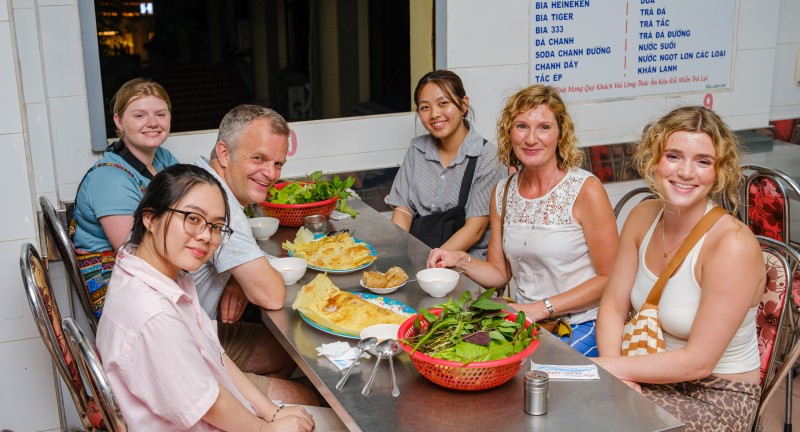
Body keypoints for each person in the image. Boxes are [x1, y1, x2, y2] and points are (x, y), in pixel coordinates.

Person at [96, 164, 315, 431]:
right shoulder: (153, 313)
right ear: (150, 218)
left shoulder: (155, 271)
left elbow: (215, 353)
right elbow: (208, 403)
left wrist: (271, 412)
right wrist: (267, 429)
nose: (205, 236)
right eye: (192, 218)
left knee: (304, 406)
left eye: (216, 226)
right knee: (318, 409)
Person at [594, 106, 764, 431]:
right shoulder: (642, 216)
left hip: (716, 394)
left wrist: (613, 370)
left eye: (703, 161)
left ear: (719, 172)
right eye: (673, 156)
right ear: (654, 160)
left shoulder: (732, 246)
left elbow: (697, 362)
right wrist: (618, 376)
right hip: (647, 372)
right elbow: (613, 306)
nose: (686, 172)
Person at [428, 85, 618, 356]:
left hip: (582, 324)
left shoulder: (585, 189)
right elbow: (499, 273)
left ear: (560, 133)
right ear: (509, 133)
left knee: (532, 381)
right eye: (521, 126)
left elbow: (610, 278)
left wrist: (540, 308)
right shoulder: (503, 192)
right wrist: (458, 259)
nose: (531, 139)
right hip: (526, 323)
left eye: (544, 127)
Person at [192, 104, 317, 405]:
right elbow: (271, 296)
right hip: (180, 354)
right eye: (259, 158)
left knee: (286, 354)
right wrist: (250, 279)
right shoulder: (216, 202)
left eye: (278, 164)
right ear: (224, 153)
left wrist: (238, 276)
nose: (271, 173)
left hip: (192, 330)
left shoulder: (195, 177)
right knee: (316, 398)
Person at [72, 78, 179, 317]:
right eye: (139, 116)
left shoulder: (164, 158)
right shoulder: (109, 179)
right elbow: (136, 254)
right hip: (125, 293)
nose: (153, 123)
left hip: (156, 272)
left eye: (161, 114)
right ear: (119, 121)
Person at [386, 70, 506, 258]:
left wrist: (432, 262)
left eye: (443, 103)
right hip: (419, 256)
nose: (434, 114)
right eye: (425, 107)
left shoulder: (488, 158)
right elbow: (404, 210)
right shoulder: (417, 149)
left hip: (465, 266)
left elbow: (475, 230)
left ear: (463, 105)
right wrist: (397, 253)